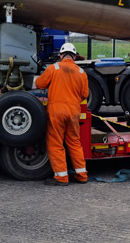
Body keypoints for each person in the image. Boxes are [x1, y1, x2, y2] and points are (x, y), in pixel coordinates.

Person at [35, 42, 90, 186]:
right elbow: (85, 94)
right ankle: (82, 175)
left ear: (60, 55)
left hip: (56, 111)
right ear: (75, 56)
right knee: (74, 143)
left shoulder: (54, 68)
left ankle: (61, 177)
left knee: (55, 143)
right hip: (73, 111)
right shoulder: (81, 72)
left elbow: (40, 84)